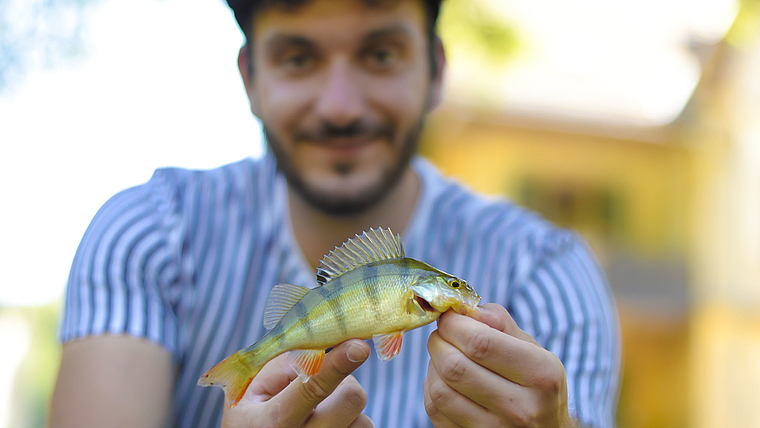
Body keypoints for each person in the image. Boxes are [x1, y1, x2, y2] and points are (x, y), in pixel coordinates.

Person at [49, 0, 620, 427]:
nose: (341, 106)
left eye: (379, 54)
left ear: (436, 70)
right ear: (250, 78)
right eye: (299, 57)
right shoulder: (150, 233)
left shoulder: (546, 269)